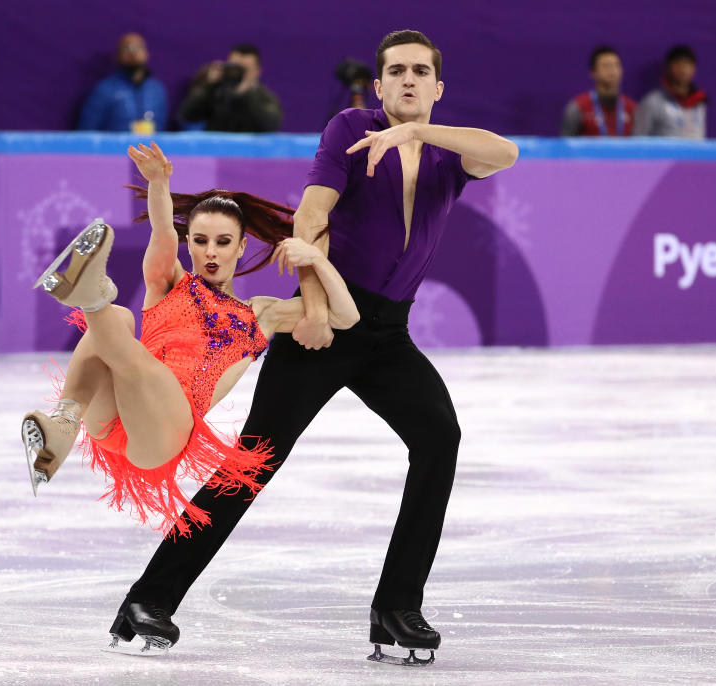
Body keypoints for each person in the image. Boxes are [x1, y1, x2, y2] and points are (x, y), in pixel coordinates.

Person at [115, 30, 518, 665]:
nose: (407, 80)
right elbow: (309, 219)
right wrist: (315, 308)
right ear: (379, 85)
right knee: (254, 461)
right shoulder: (351, 129)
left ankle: (396, 606)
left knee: (438, 438)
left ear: (438, 89)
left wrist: (416, 134)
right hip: (325, 323)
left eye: (420, 72)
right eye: (396, 71)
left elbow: (507, 152)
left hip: (388, 334)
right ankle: (149, 600)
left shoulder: (446, 153)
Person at [21, 140, 359, 544]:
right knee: (122, 319)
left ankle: (92, 296)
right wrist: (159, 183)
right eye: (200, 241)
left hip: (162, 434)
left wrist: (318, 260)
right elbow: (163, 230)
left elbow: (345, 317)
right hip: (111, 419)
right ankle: (63, 424)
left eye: (222, 242)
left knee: (132, 349)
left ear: (242, 246)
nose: (211, 252)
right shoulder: (169, 283)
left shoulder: (262, 313)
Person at [177, 43, 282, 132]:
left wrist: (246, 95)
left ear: (257, 72)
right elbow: (186, 116)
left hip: (251, 155)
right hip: (216, 153)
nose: (239, 73)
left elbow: (271, 125)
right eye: (235, 68)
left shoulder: (264, 98)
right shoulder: (216, 92)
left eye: (245, 69)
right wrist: (208, 86)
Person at [77, 33, 168, 133]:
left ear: (146, 53)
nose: (133, 53)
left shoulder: (156, 89)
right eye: (127, 48)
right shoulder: (105, 90)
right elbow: (87, 131)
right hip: (115, 147)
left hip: (148, 147)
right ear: (118, 55)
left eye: (138, 47)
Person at [633, 45, 707, 139]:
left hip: (695, 154)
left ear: (694, 68)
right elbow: (638, 138)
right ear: (668, 67)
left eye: (688, 64)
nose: (683, 69)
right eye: (679, 64)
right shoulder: (652, 102)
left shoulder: (699, 102)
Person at [561, 46, 636, 137]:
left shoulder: (631, 108)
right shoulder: (578, 107)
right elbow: (566, 146)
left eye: (616, 65)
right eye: (605, 66)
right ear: (593, 72)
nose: (612, 71)